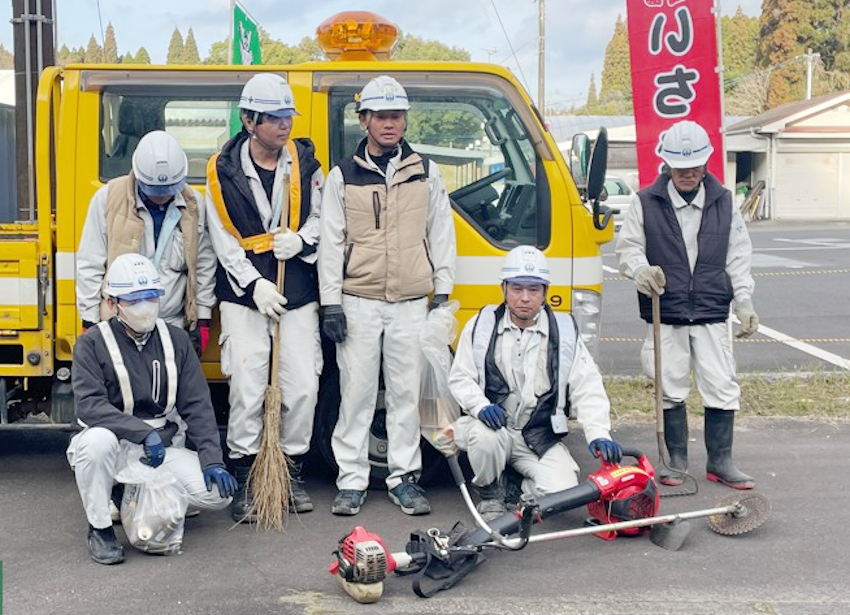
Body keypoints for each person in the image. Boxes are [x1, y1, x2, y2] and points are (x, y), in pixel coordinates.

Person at [318, 75, 457, 516]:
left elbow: (442, 233)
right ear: (364, 120)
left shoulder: (426, 171)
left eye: (396, 115)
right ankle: (352, 480)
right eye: (381, 116)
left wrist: (443, 292)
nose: (390, 123)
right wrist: (331, 302)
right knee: (356, 394)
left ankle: (403, 478)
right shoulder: (342, 175)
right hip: (358, 300)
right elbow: (331, 242)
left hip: (412, 302)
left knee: (405, 394)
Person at [205, 72, 324, 521]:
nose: (283, 126)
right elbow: (221, 237)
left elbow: (323, 219)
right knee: (248, 385)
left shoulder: (308, 165)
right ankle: (245, 470)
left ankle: (288, 469)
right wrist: (252, 284)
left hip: (297, 287)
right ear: (249, 120)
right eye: (273, 118)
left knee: (303, 385)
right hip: (244, 293)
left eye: (286, 118)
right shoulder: (221, 169)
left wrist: (302, 241)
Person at [615, 119, 759, 490]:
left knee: (721, 383)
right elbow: (628, 247)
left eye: (694, 164)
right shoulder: (644, 202)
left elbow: (738, 256)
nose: (688, 172)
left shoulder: (724, 202)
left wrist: (743, 300)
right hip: (667, 310)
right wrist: (640, 270)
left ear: (707, 162)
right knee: (669, 383)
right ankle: (675, 459)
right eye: (680, 166)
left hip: (712, 308)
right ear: (666, 163)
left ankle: (721, 460)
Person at [67, 254, 237, 565]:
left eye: (150, 297)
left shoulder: (176, 340)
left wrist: (213, 459)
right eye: (134, 299)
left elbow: (197, 404)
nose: (144, 306)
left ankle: (131, 496)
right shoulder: (92, 343)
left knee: (218, 495)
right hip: (116, 445)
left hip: (161, 449)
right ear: (114, 302)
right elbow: (90, 406)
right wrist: (142, 433)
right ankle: (100, 528)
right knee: (94, 444)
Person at [448, 246, 622, 521]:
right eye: (517, 288)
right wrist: (480, 406)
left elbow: (586, 386)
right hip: (495, 429)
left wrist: (599, 432)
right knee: (485, 437)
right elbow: (459, 376)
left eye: (534, 289)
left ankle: (516, 489)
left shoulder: (563, 331)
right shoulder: (481, 324)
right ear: (504, 288)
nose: (525, 298)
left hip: (536, 435)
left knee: (563, 493)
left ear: (545, 291)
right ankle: (490, 491)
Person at [76, 130, 217, 358]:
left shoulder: (194, 206)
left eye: (168, 190)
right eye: (155, 190)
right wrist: (90, 320)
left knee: (171, 390)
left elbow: (204, 266)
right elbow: (90, 263)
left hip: (173, 323)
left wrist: (202, 317)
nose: (161, 196)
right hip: (119, 324)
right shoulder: (108, 199)